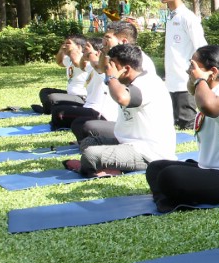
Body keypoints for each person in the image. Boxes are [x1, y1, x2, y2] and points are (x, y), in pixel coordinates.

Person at [144, 45, 219, 212]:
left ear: (211, 72)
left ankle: (169, 198)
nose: (189, 70)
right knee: (156, 168)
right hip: (211, 169)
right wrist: (198, 80)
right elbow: (193, 91)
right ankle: (168, 198)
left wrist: (199, 79)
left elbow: (207, 106)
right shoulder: (212, 90)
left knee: (170, 177)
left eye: (193, 66)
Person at [64, 43, 176, 178]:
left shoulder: (148, 84)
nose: (108, 70)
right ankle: (109, 167)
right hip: (127, 143)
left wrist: (111, 77)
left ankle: (101, 169)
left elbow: (122, 98)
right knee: (88, 143)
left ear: (126, 69)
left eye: (112, 66)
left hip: (149, 153)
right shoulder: (128, 81)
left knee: (91, 155)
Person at [71, 22, 158, 143]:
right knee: (80, 125)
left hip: (138, 131)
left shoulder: (138, 62)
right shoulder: (118, 57)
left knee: (87, 128)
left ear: (123, 42)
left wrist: (111, 77)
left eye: (108, 38)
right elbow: (100, 69)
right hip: (124, 122)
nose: (103, 42)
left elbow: (123, 97)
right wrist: (105, 52)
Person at [161, 0, 208, 130]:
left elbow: (200, 46)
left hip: (183, 79)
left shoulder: (188, 18)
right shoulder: (171, 16)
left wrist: (198, 72)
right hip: (171, 79)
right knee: (172, 121)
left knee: (186, 122)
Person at [50, 37, 118, 132]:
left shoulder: (102, 68)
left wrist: (89, 54)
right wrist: (86, 56)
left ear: (98, 53)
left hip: (99, 113)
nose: (83, 52)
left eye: (86, 50)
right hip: (88, 107)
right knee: (60, 111)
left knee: (60, 113)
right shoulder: (90, 66)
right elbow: (82, 65)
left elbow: (84, 65)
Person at [33, 35, 90, 114]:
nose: (64, 45)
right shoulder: (69, 59)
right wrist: (61, 50)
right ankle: (53, 108)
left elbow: (78, 64)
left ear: (79, 46)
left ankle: (49, 110)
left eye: (68, 43)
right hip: (70, 94)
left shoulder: (83, 58)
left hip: (81, 97)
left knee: (52, 98)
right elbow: (59, 62)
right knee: (45, 92)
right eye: (64, 43)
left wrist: (74, 51)